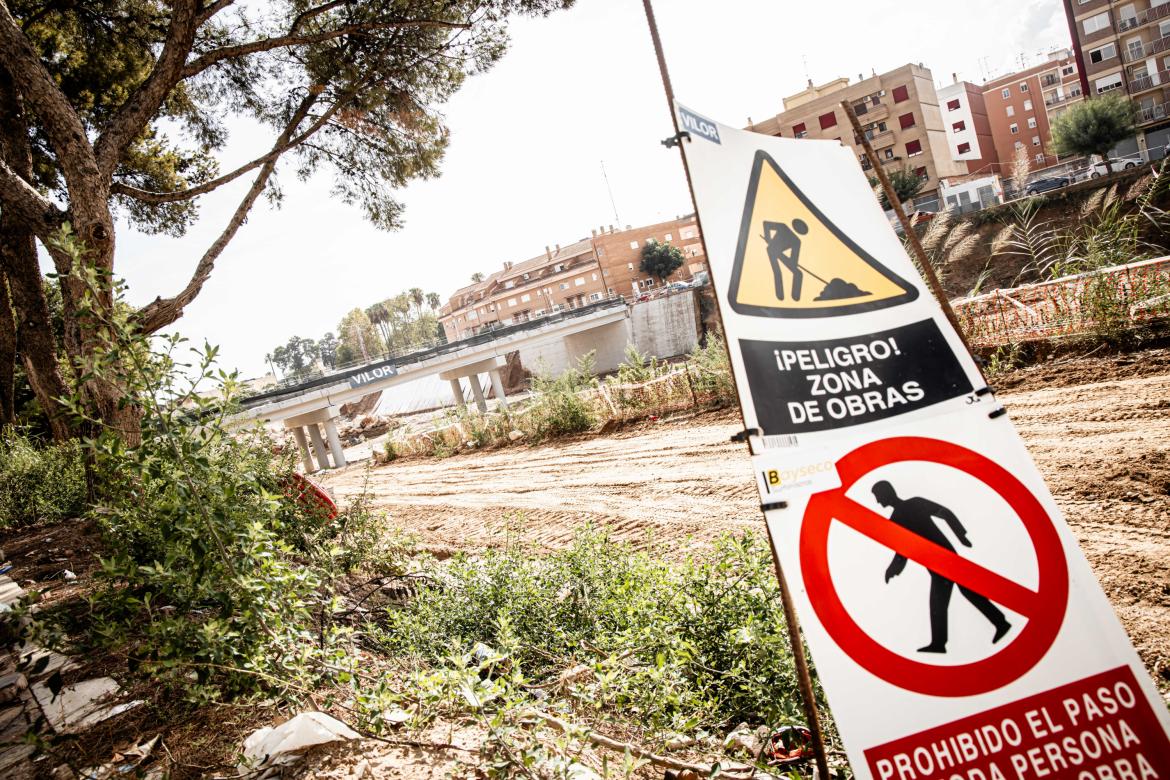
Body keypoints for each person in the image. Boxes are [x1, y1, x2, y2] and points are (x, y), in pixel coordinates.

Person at [872, 480, 1012, 653]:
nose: (877, 501)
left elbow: (943, 513)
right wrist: (893, 569)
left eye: (878, 496)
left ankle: (941, 643)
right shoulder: (901, 515)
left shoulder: (907, 510)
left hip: (943, 561)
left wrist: (961, 536)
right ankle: (1000, 623)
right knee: (966, 592)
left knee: (941, 600)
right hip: (939, 562)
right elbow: (904, 550)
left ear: (886, 493)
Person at [762, 218, 808, 301]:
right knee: (778, 272)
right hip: (771, 250)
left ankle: (795, 296)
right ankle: (780, 296)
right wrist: (767, 238)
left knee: (798, 273)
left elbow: (793, 261)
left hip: (779, 254)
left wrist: (792, 264)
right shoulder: (783, 227)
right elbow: (766, 224)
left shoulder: (797, 241)